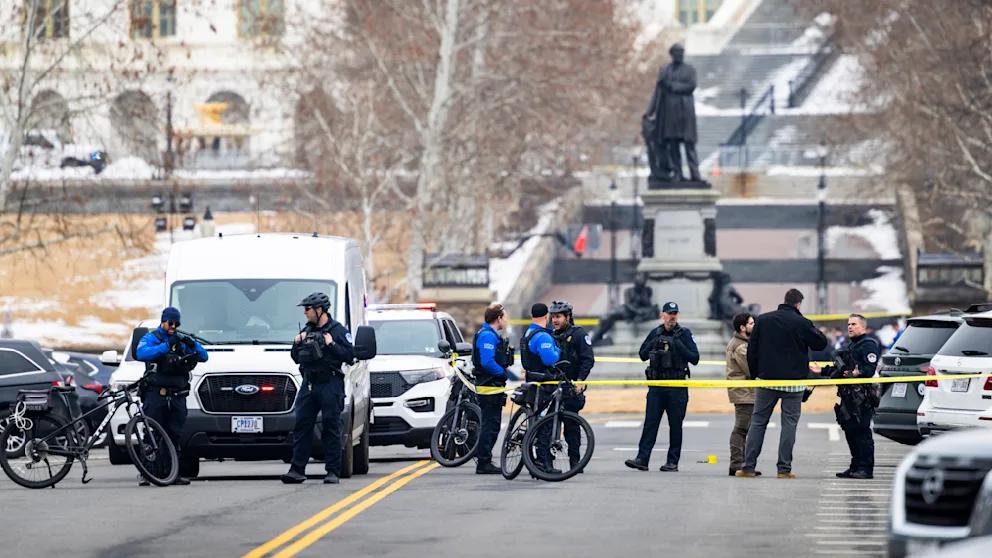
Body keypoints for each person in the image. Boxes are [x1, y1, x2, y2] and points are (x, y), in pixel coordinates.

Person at [736, 289, 827, 479]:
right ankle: (784, 469)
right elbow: (820, 343)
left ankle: (748, 467)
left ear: (784, 301)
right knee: (789, 425)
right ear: (798, 304)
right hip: (794, 383)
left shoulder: (763, 320)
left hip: (766, 380)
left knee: (758, 423)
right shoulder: (801, 322)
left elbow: (752, 350)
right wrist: (808, 325)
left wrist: (755, 375)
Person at [281, 292, 355, 485]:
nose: (305, 312)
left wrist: (331, 344)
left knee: (331, 425)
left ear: (319, 309)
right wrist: (297, 343)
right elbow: (296, 358)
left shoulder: (338, 330)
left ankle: (332, 471)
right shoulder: (307, 330)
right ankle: (297, 470)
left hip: (330, 383)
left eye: (308, 309)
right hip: (309, 383)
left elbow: (350, 356)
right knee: (302, 425)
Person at [135, 306, 208, 486]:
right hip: (156, 394)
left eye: (177, 323)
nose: (174, 326)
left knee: (174, 434)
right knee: (152, 433)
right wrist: (166, 346)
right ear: (163, 321)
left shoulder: (181, 339)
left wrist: (191, 344)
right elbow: (142, 353)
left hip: (177, 395)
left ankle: (172, 473)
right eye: (170, 323)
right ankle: (148, 473)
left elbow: (204, 356)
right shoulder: (152, 338)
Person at [625, 301, 699, 472]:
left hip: (676, 385)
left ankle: (672, 462)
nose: (672, 317)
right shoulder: (655, 332)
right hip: (657, 386)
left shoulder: (684, 334)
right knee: (650, 423)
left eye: (675, 313)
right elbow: (642, 354)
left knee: (675, 425)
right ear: (662, 315)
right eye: (669, 313)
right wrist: (656, 341)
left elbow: (695, 358)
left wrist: (676, 343)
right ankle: (642, 459)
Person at [810, 314, 880, 479]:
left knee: (862, 432)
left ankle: (865, 468)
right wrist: (822, 371)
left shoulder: (868, 344)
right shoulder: (849, 345)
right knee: (850, 431)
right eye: (849, 324)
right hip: (848, 396)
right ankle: (855, 466)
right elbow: (839, 370)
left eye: (854, 324)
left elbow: (869, 369)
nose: (850, 327)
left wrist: (858, 373)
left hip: (862, 396)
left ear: (863, 326)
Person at [549, 300, 595, 471]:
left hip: (571, 385)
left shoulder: (578, 334)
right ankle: (547, 463)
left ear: (567, 317)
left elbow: (588, 359)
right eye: (553, 317)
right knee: (548, 425)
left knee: (571, 426)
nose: (555, 320)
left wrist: (580, 380)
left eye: (558, 317)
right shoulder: (550, 335)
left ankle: (575, 462)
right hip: (552, 385)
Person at [472, 303, 513, 475]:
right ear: (498, 318)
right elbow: (487, 361)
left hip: (492, 386)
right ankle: (484, 462)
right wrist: (502, 374)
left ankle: (485, 460)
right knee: (490, 425)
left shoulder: (490, 335)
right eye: (505, 317)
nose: (506, 320)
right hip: (489, 387)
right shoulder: (487, 336)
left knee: (492, 424)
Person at [519, 303, 561, 471]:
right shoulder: (543, 336)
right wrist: (558, 350)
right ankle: (543, 462)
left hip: (531, 381)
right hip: (544, 384)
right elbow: (549, 359)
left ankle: (533, 458)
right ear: (547, 316)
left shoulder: (528, 332)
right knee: (545, 423)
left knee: (535, 420)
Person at [725, 312, 758, 477]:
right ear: (742, 327)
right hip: (743, 392)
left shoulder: (743, 343)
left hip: (745, 391)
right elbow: (751, 369)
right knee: (741, 429)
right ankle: (737, 464)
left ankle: (743, 464)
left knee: (745, 428)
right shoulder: (740, 346)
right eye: (751, 323)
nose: (754, 325)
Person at [591, 273, 659, 345]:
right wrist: (637, 311)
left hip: (633, 312)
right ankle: (595, 338)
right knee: (606, 317)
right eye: (638, 283)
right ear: (635, 283)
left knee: (607, 318)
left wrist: (642, 293)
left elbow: (648, 304)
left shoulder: (647, 291)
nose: (639, 285)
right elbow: (628, 305)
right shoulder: (629, 291)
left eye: (641, 283)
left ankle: (595, 338)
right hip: (626, 310)